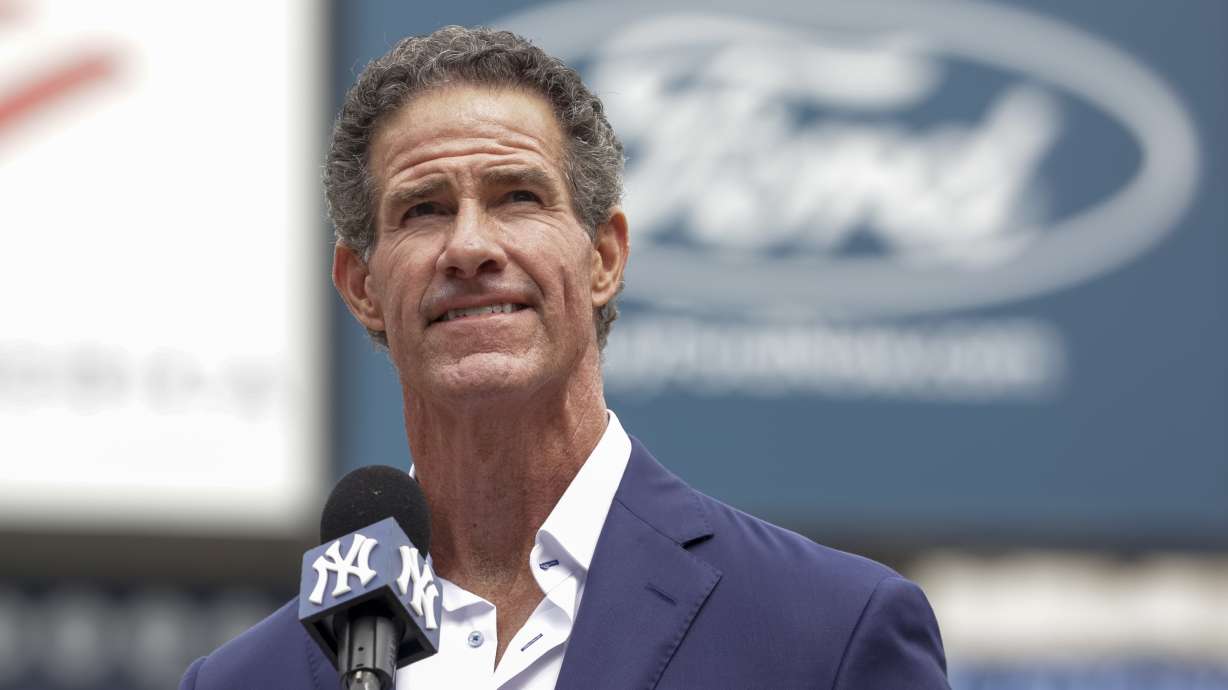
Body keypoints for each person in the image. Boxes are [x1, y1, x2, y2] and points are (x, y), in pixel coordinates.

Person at [180, 26, 948, 690]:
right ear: (361, 287)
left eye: (518, 196)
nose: (472, 247)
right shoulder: (247, 678)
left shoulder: (830, 629)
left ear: (604, 258)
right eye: (424, 209)